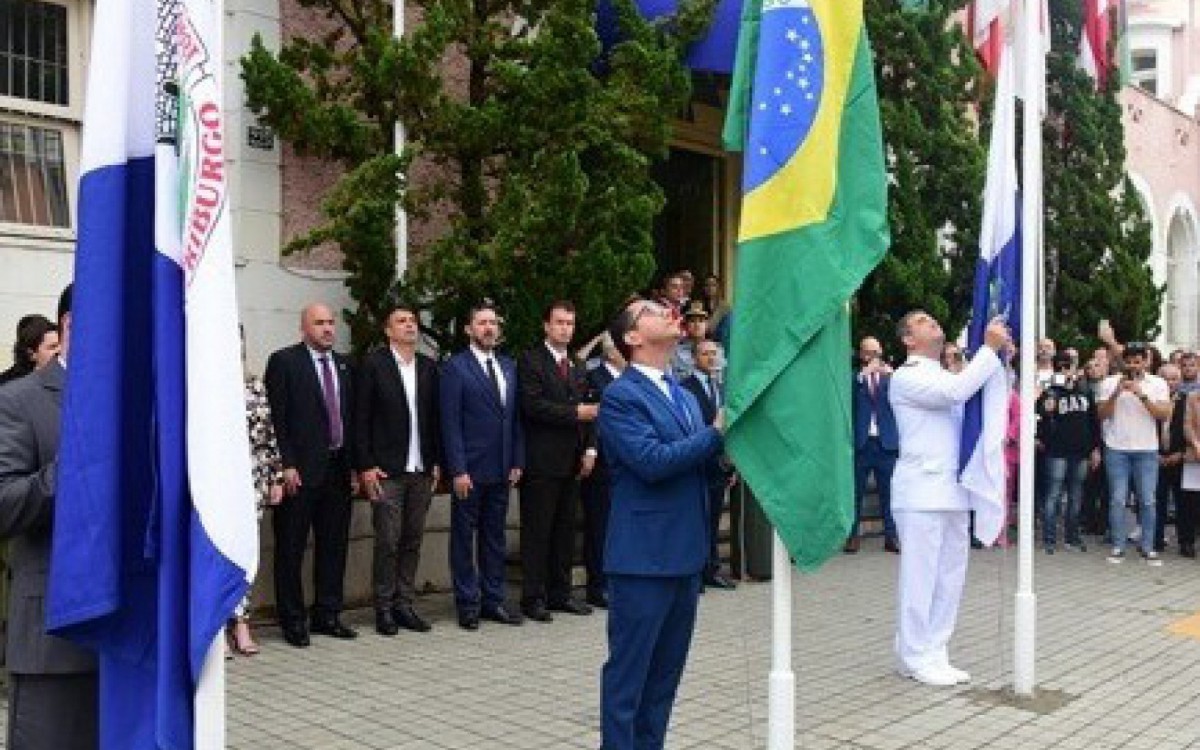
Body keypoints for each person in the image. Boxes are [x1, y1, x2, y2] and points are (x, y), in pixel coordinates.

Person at [598, 298, 725, 750]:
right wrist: (715, 434)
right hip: (643, 560)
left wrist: (730, 454)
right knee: (628, 683)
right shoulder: (620, 397)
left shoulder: (684, 395)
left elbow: (700, 465)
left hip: (685, 556)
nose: (668, 312)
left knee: (663, 683)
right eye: (651, 310)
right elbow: (651, 461)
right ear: (632, 337)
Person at [889, 310, 1010, 688]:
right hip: (921, 492)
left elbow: (968, 393)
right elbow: (954, 393)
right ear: (908, 340)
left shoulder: (946, 373)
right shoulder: (906, 376)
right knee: (920, 579)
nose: (933, 323)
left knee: (949, 579)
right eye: (922, 322)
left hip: (954, 490)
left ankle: (935, 650)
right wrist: (988, 350)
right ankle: (912, 656)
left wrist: (995, 359)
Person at [0, 285, 99, 749]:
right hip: (54, 641)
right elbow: (5, 504)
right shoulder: (19, 400)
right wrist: (77, 467)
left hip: (135, 642)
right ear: (70, 326)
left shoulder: (144, 400)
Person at [264, 303, 358, 647]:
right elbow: (276, 418)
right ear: (304, 328)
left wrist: (354, 467)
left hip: (338, 470)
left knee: (334, 547)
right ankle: (292, 620)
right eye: (319, 323)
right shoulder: (285, 362)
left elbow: (353, 419)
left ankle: (327, 614)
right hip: (300, 472)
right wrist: (286, 464)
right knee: (291, 548)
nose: (328, 328)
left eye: (331, 322)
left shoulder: (345, 365)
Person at [354, 302, 442, 636]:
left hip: (421, 470)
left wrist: (436, 462)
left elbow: (434, 419)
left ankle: (404, 604)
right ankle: (384, 607)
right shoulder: (373, 365)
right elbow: (360, 418)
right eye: (401, 321)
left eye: (413, 321)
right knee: (388, 542)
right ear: (388, 330)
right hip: (387, 471)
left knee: (412, 540)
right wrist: (365, 465)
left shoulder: (428, 367)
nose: (410, 325)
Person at [440, 302, 525, 630]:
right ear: (468, 329)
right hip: (470, 471)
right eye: (482, 323)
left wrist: (517, 460)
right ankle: (467, 603)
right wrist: (458, 469)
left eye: (493, 323)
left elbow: (514, 418)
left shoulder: (508, 366)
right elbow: (450, 423)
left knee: (495, 538)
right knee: (464, 538)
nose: (489, 328)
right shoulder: (456, 367)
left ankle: (493, 599)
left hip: (502, 469)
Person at [517, 300, 597, 622]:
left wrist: (590, 450)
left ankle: (560, 593)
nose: (565, 329)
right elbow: (533, 406)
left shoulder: (578, 364)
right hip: (542, 460)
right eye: (560, 323)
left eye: (570, 324)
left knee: (564, 531)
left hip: (572, 461)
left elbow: (591, 409)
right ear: (546, 326)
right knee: (538, 532)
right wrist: (574, 413)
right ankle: (533, 597)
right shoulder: (531, 361)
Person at [228, 328, 285, 656]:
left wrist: (275, 477)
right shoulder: (202, 385)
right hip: (218, 482)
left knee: (246, 553)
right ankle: (217, 626)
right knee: (218, 550)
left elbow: (267, 435)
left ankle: (241, 623)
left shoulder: (254, 385)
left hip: (253, 479)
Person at [1096, 342, 1172, 565]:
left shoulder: (1157, 383)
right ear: (1123, 362)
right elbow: (1101, 415)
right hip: (1117, 449)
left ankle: (1147, 547)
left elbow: (1164, 414)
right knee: (1117, 500)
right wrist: (1116, 393)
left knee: (1147, 500)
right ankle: (1118, 546)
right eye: (1129, 362)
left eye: (1138, 361)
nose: (1133, 366)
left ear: (1146, 362)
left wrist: (1142, 395)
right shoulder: (1109, 382)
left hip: (1146, 449)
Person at [681, 339, 737, 589]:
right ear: (695, 358)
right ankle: (694, 572)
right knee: (695, 521)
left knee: (713, 520)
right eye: (705, 354)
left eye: (714, 353)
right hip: (697, 463)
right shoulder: (686, 388)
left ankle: (711, 570)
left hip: (719, 466)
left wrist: (731, 465)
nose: (711, 358)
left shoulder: (721, 388)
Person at [1036, 352, 1099, 554]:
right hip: (1056, 450)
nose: (1065, 370)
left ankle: (1072, 537)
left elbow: (1093, 421)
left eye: (1068, 366)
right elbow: (1042, 417)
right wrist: (1046, 407)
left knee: (1076, 495)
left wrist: (1094, 448)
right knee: (1053, 494)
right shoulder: (1050, 391)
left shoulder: (1085, 390)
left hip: (1080, 450)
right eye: (1060, 367)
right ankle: (1049, 539)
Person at [580, 334, 624, 608]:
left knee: (618, 527)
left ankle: (616, 583)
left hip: (625, 463)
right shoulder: (595, 378)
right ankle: (597, 586)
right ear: (610, 353)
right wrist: (591, 450)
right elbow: (592, 419)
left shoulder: (629, 379)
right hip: (602, 463)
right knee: (599, 527)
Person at [847, 335, 900, 554]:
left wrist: (894, 376)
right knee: (856, 493)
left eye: (876, 352)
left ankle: (891, 536)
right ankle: (852, 536)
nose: (873, 357)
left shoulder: (890, 378)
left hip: (886, 444)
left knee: (889, 493)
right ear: (862, 355)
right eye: (869, 352)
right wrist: (863, 375)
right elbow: (848, 397)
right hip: (863, 444)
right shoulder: (855, 378)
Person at [1154, 363, 1187, 554]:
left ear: (1180, 381)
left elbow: (1193, 428)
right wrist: (1155, 453)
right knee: (1157, 501)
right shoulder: (1152, 400)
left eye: (1174, 379)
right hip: (1155, 457)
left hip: (1180, 457)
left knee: (1184, 503)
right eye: (1165, 378)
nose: (1170, 382)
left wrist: (1181, 453)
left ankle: (1185, 542)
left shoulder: (1188, 401)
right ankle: (1156, 540)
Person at [0, 314, 60, 385]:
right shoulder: (8, 385)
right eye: (53, 347)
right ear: (31, 354)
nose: (59, 350)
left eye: (61, 345)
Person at [670, 302, 709, 382]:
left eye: (701, 321)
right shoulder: (675, 351)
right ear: (685, 326)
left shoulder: (715, 349)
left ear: (707, 325)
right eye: (692, 321)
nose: (697, 324)